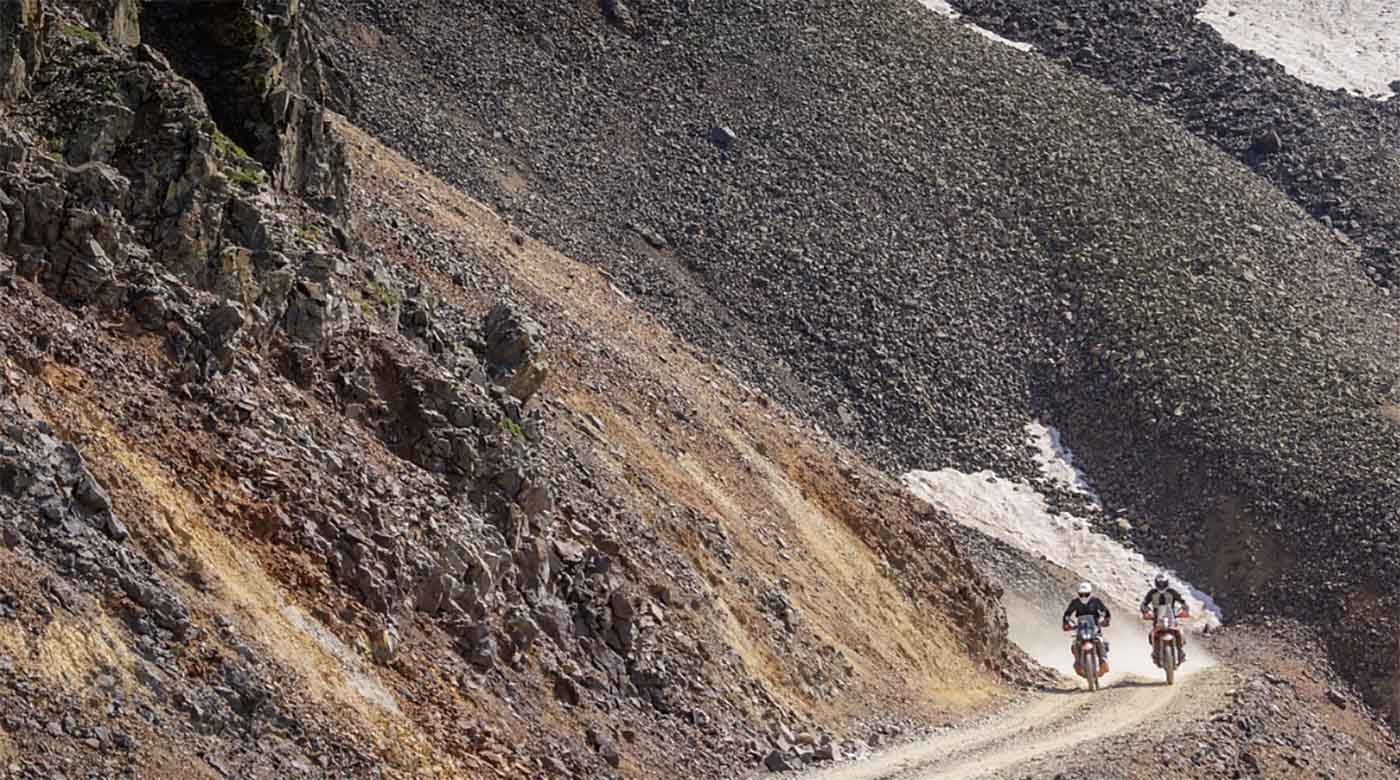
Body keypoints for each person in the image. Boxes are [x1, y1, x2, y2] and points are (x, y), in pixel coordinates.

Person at [1140, 573, 1189, 664]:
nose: (1161, 586)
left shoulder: (1172, 592)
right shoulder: (1152, 593)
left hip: (1171, 618)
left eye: (1163, 584)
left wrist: (1185, 608)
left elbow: (1182, 601)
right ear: (1156, 583)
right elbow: (1144, 603)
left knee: (1180, 632)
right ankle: (1155, 652)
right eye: (1159, 584)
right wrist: (1145, 611)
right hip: (1157, 619)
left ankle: (1180, 652)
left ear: (1167, 583)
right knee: (1151, 635)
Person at [1062, 582, 1110, 658]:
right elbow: (1067, 614)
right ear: (1078, 594)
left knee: (1102, 641)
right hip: (1081, 628)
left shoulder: (1095, 601)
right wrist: (1066, 622)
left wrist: (1105, 619)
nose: (1084, 596)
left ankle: (1103, 659)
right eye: (1081, 594)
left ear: (1090, 593)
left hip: (1094, 626)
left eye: (1086, 594)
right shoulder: (1075, 602)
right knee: (1075, 644)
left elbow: (1105, 611)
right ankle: (1078, 661)